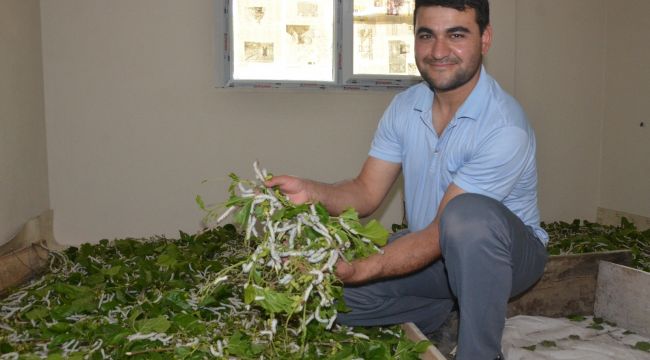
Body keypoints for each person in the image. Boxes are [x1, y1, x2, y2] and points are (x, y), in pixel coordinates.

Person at [265, 0, 548, 358]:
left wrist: (365, 267)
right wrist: (311, 191)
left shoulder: (504, 126)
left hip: (503, 256)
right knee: (324, 298)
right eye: (426, 35)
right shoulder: (405, 107)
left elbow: (439, 233)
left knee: (467, 215)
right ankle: (439, 311)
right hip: (432, 252)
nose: (439, 51)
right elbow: (366, 191)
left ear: (485, 39)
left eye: (456, 35)